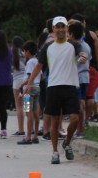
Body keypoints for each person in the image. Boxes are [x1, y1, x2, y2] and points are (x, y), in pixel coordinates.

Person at [24, 16, 88, 164]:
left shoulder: (73, 45)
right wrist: (29, 82)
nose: (60, 29)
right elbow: (39, 66)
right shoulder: (47, 47)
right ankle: (55, 151)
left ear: (67, 29)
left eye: (62, 27)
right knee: (54, 122)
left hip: (70, 85)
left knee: (75, 118)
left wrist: (83, 57)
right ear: (53, 30)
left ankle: (66, 142)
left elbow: (81, 53)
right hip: (53, 86)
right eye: (57, 27)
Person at [17, 41, 41, 145]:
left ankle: (28, 137)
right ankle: (35, 135)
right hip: (37, 88)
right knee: (36, 112)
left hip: (29, 90)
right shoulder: (38, 61)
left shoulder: (30, 62)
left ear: (28, 51)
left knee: (28, 112)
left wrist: (21, 85)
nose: (23, 53)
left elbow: (30, 76)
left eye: (24, 51)